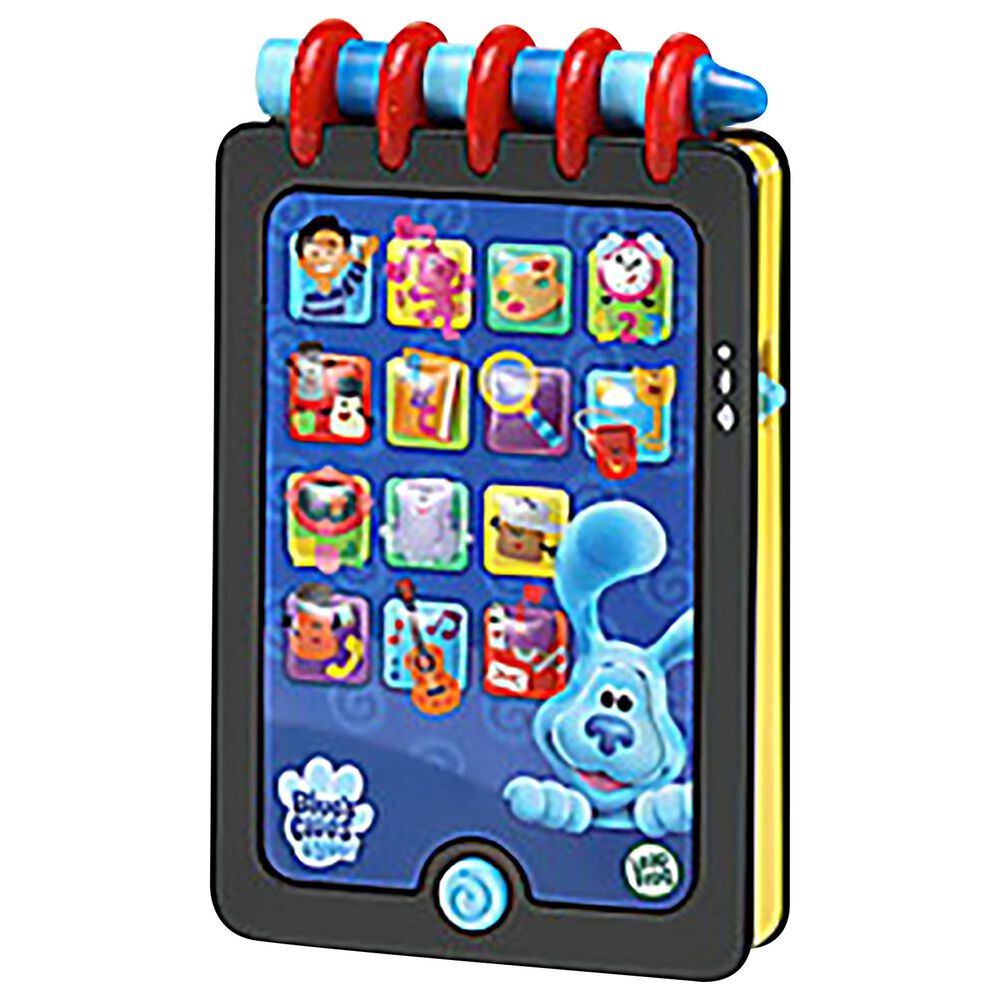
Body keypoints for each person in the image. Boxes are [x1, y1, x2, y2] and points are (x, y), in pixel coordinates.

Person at [295, 215, 379, 321]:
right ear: (302, 262)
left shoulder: (340, 293)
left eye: (330, 253)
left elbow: (356, 275)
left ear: (344, 259)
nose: (323, 261)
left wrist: (366, 255)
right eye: (315, 254)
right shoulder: (309, 300)